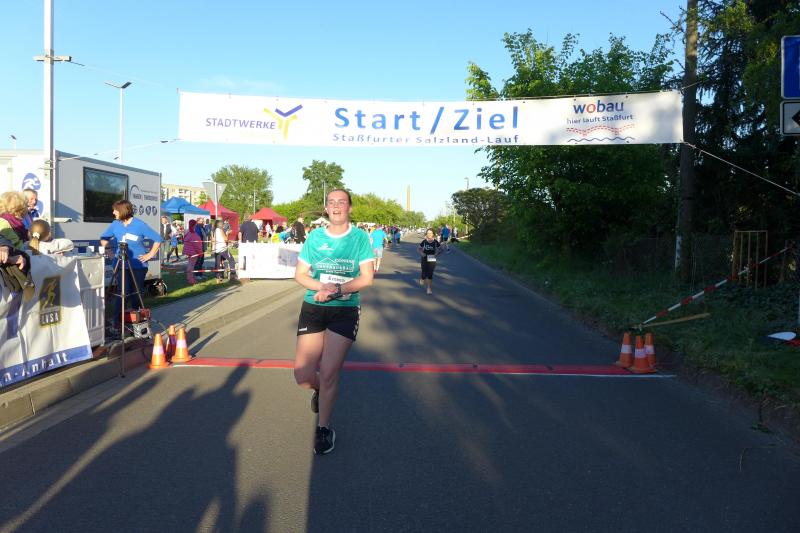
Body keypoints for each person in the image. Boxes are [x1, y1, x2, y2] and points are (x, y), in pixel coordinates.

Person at [293, 189, 374, 455]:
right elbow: (300, 274)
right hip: (314, 306)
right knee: (303, 375)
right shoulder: (315, 237)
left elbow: (366, 278)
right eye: (331, 202)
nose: (336, 206)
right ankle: (321, 389)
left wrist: (337, 291)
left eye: (341, 202)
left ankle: (324, 428)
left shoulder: (360, 237)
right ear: (326, 208)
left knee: (329, 372)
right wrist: (321, 287)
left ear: (350, 207)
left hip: (345, 309)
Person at [100, 199, 161, 334]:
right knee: (122, 292)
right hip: (120, 264)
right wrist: (109, 252)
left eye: (115, 210)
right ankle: (117, 324)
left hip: (138, 265)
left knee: (136, 293)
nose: (113, 212)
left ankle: (136, 323)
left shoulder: (140, 225)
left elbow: (158, 239)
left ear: (123, 211)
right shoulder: (115, 224)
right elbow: (104, 238)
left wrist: (150, 254)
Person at [419, 228, 442, 295]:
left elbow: (440, 249)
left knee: (430, 273)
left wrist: (436, 254)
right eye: (428, 233)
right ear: (426, 234)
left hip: (432, 257)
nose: (429, 234)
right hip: (424, 257)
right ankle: (422, 278)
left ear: (433, 234)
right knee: (424, 272)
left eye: (430, 233)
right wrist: (421, 253)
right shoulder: (424, 241)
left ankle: (429, 288)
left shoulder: (435, 242)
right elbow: (419, 248)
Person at [182, 219, 204, 284]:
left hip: (188, 252)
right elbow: (198, 246)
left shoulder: (187, 232)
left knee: (190, 265)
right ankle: (191, 279)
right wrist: (200, 253)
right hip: (193, 253)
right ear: (194, 225)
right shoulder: (194, 235)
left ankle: (189, 277)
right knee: (191, 267)